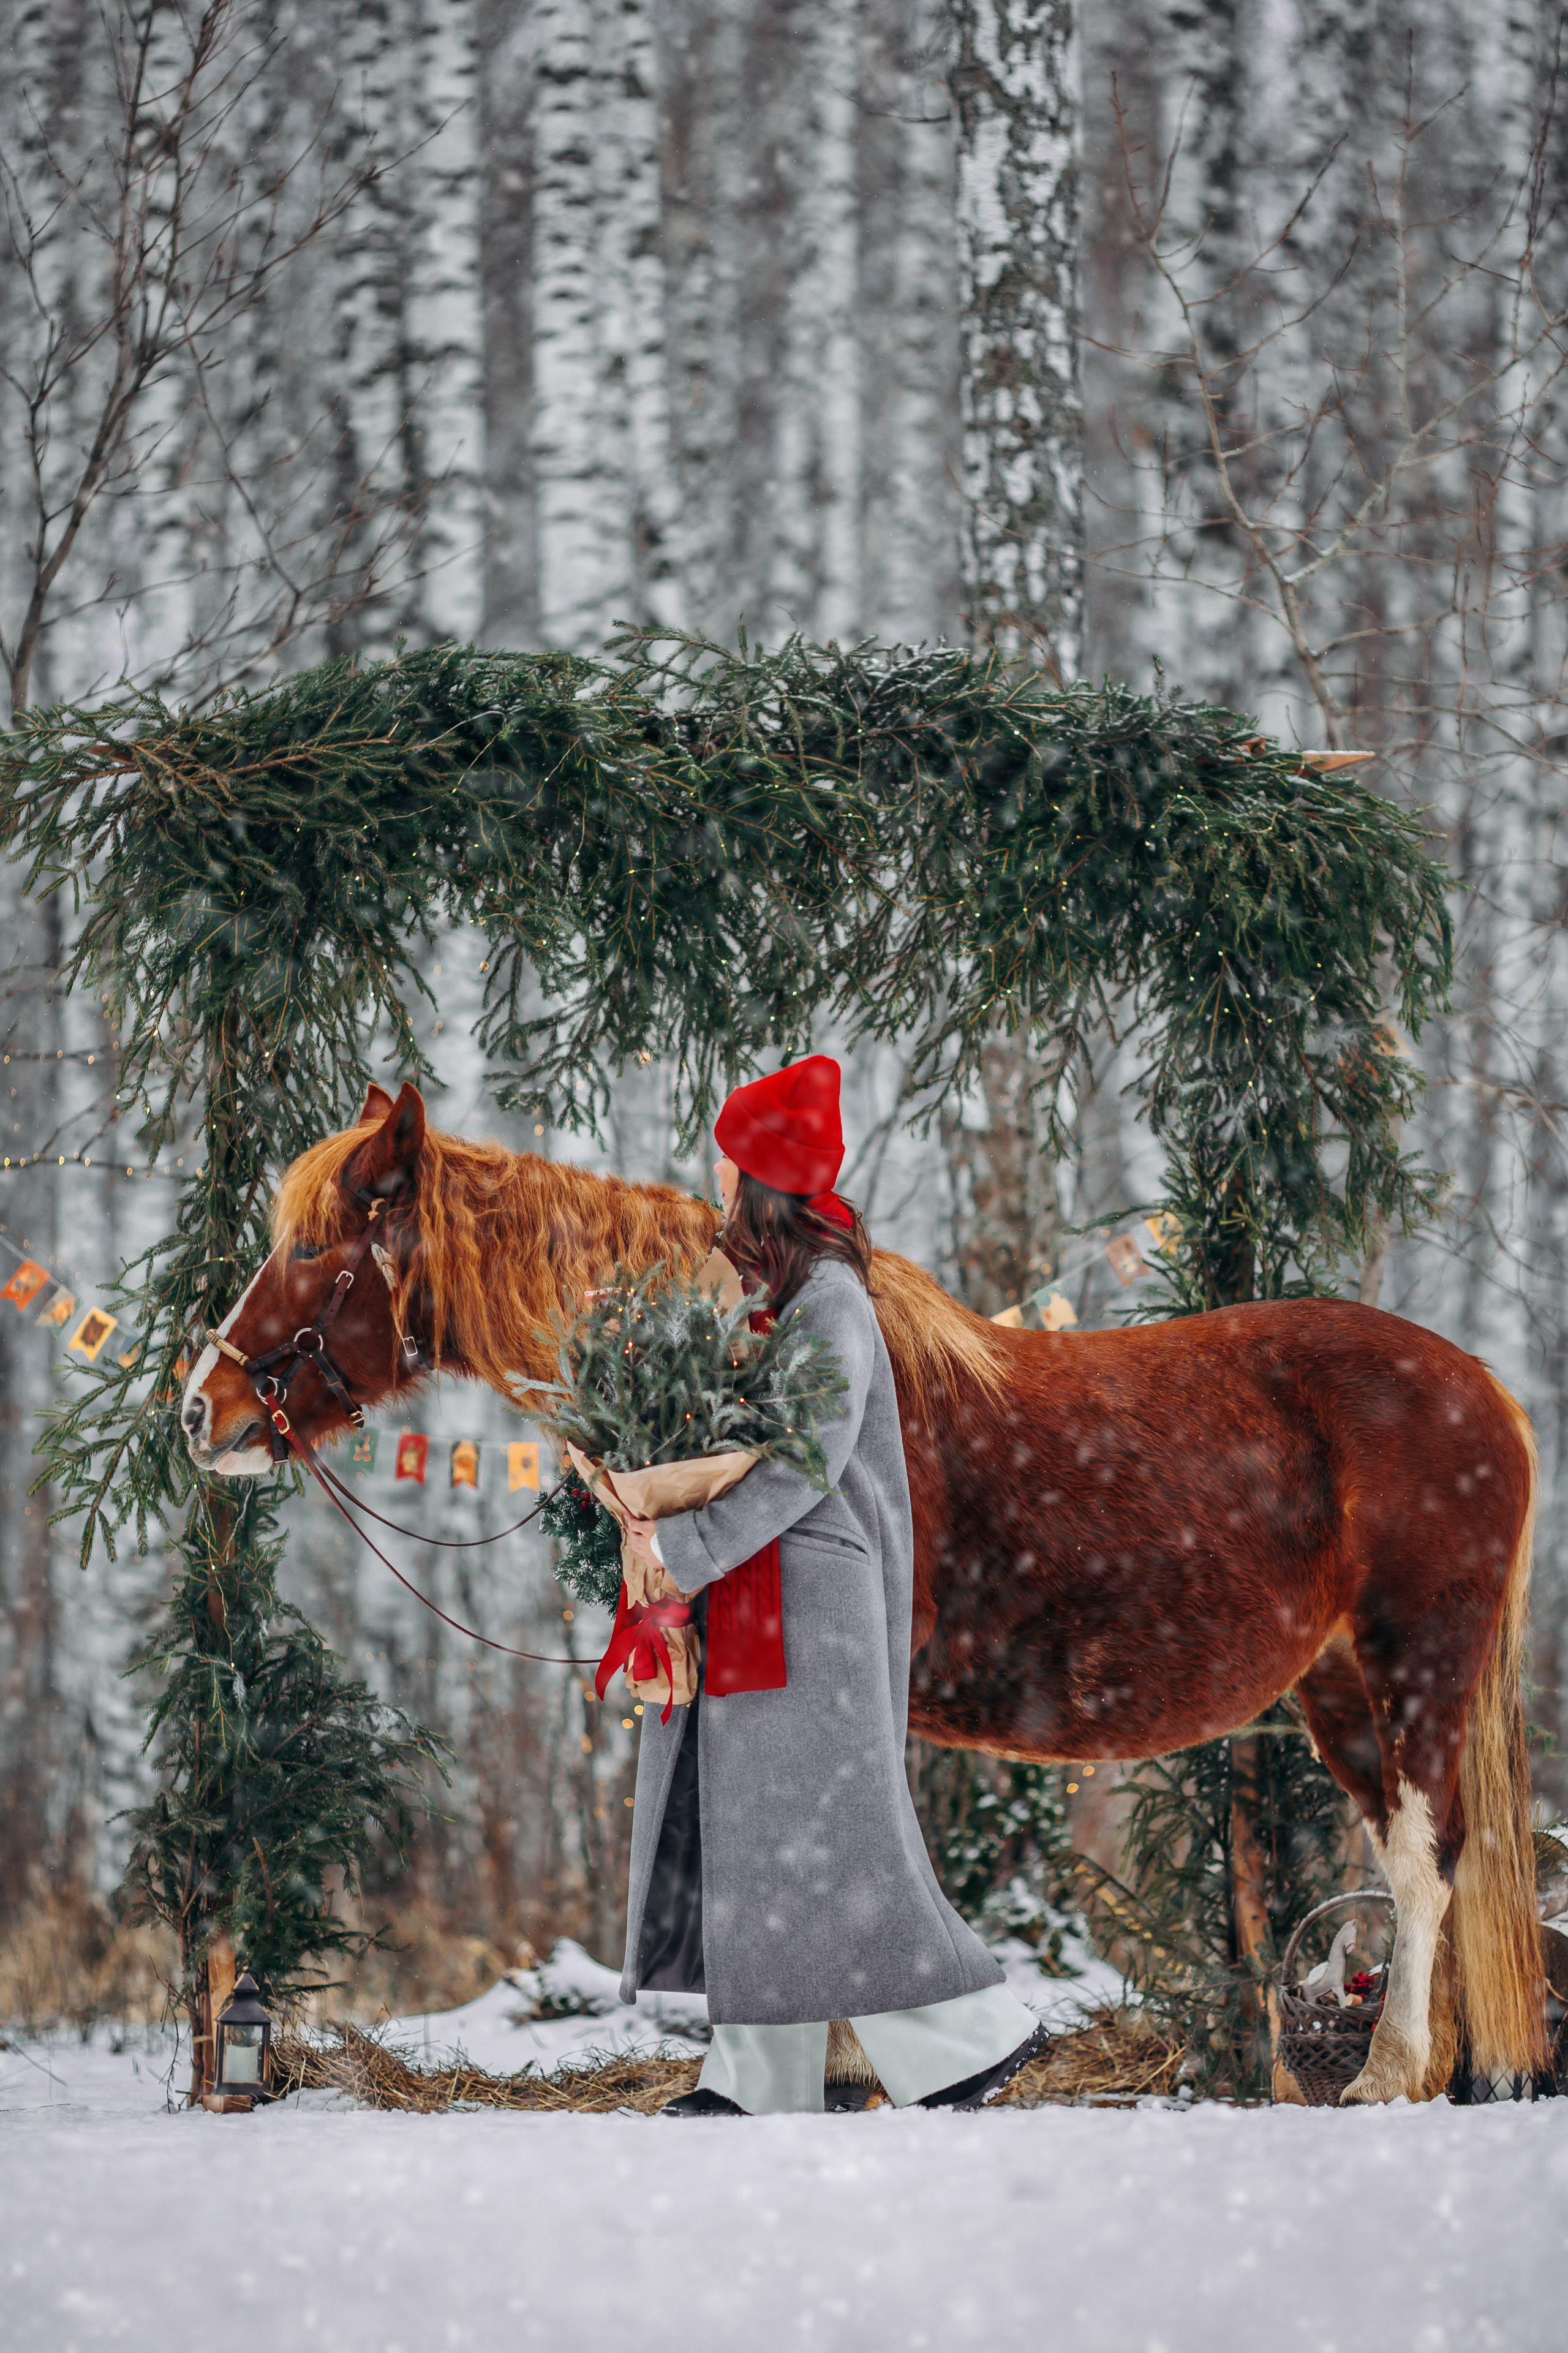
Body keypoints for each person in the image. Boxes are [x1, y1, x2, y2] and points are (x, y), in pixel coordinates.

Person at [618, 1054, 1047, 2116]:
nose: (715, 1186)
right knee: (774, 1843)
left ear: (760, 1185)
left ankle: (972, 2039)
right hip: (777, 1599)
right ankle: (760, 2075)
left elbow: (804, 1463)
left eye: (727, 1170)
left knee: (844, 1843)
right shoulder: (789, 1299)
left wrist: (683, 1545)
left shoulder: (833, 1305)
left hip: (815, 1609)